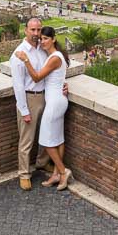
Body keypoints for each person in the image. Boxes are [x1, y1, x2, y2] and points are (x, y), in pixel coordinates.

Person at [15, 27, 72, 191]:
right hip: (58, 100)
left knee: (46, 141)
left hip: (54, 102)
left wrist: (26, 60)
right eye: (41, 39)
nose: (42, 41)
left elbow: (37, 76)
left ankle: (63, 171)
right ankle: (55, 174)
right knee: (58, 138)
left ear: (53, 39)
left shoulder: (54, 57)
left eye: (46, 38)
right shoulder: (55, 56)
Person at [10, 18, 53, 191]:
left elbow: (47, 72)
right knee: (26, 140)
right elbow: (18, 85)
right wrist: (24, 109)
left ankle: (42, 163)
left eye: (38, 30)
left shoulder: (43, 49)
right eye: (33, 30)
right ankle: (24, 174)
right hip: (29, 98)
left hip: (45, 96)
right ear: (25, 30)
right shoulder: (19, 53)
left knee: (46, 133)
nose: (36, 34)